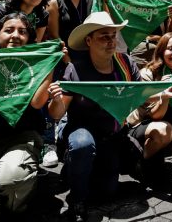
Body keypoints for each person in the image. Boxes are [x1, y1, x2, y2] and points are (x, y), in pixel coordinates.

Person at [48, 13, 153, 221]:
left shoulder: (126, 63)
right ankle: (77, 197)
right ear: (89, 41)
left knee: (107, 191)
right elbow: (56, 114)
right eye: (104, 36)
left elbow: (142, 97)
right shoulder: (75, 69)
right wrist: (56, 99)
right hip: (81, 130)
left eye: (113, 36)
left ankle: (80, 170)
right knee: (82, 145)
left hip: (111, 134)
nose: (111, 41)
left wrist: (163, 94)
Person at [0, 13, 59, 220]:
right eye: (8, 30)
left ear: (30, 39)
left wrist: (50, 63)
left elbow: (37, 103)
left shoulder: (37, 65)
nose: (15, 35)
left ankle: (16, 207)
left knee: (11, 181)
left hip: (20, 138)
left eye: (22, 31)